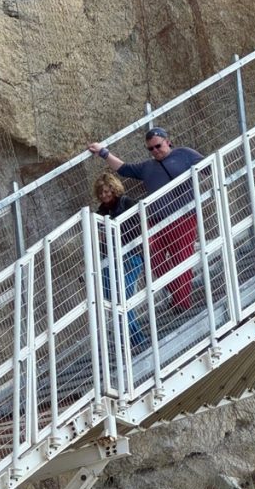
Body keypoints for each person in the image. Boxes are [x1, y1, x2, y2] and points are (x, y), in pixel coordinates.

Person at [87, 127, 203, 311]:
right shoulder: (148, 167)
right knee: (153, 259)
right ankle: (179, 295)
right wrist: (103, 152)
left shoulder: (184, 154)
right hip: (156, 220)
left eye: (158, 146)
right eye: (150, 148)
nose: (155, 151)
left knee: (181, 259)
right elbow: (124, 169)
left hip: (184, 217)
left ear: (167, 141)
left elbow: (208, 167)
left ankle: (182, 303)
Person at [93, 172, 147, 349]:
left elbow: (139, 227)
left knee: (122, 298)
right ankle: (131, 340)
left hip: (130, 256)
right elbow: (98, 239)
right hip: (109, 260)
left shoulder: (127, 203)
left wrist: (112, 232)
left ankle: (137, 340)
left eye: (106, 191)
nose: (104, 195)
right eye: (100, 193)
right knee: (112, 299)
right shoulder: (100, 212)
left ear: (114, 189)